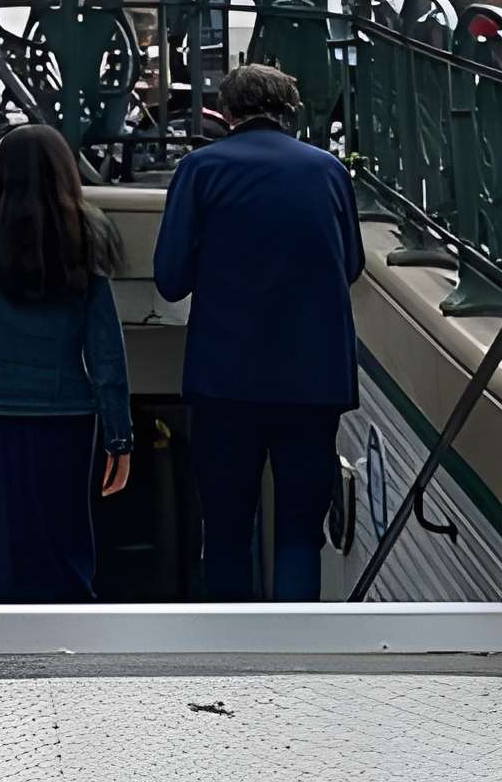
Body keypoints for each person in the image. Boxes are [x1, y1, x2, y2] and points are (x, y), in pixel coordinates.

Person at [154, 64, 362, 599]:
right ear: (290, 111)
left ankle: (231, 659)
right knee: (300, 534)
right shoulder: (328, 171)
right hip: (313, 382)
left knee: (224, 533)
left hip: (225, 380)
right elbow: (353, 264)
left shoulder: (201, 170)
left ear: (226, 112)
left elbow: (171, 280)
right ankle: (298, 656)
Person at [0, 124, 133, 601]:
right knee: (61, 552)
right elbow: (105, 350)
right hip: (63, 420)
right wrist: (119, 435)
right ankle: (63, 662)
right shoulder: (87, 235)